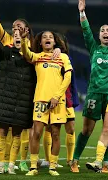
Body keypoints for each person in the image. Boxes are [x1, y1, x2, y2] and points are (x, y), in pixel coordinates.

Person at [0, 0, 61, 171]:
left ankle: (22, 161)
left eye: (19, 25)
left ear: (27, 29)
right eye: (13, 26)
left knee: (28, 130)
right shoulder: (8, 41)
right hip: (9, 89)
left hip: (29, 92)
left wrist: (58, 50)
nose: (15, 28)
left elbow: (46, 55)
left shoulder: (35, 45)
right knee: (8, 129)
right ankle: (10, 163)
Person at [70, 0, 108, 174]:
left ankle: (105, 164)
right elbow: (86, 31)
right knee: (87, 130)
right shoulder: (93, 47)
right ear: (99, 36)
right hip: (94, 94)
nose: (105, 32)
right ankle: (74, 160)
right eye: (102, 30)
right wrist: (82, 13)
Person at [20, 29, 72, 176]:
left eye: (50, 37)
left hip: (57, 100)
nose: (47, 38)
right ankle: (33, 167)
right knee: (36, 133)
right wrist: (24, 40)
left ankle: (52, 167)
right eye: (44, 37)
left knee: (55, 134)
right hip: (40, 99)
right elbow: (26, 54)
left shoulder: (62, 57)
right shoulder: (37, 57)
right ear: (41, 42)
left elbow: (68, 77)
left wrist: (57, 96)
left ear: (54, 42)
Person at [0, 21, 36, 174]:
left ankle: (11, 164)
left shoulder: (32, 56)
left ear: (26, 37)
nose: (17, 37)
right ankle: (2, 164)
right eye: (14, 35)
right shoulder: (7, 52)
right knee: (2, 132)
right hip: (5, 99)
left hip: (22, 101)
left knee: (17, 134)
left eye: (20, 35)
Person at [41, 34, 79, 168]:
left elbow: (70, 80)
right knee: (50, 128)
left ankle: (70, 160)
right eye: (58, 42)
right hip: (53, 96)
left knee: (71, 128)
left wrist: (73, 98)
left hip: (67, 96)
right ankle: (47, 159)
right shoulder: (53, 56)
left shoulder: (66, 57)